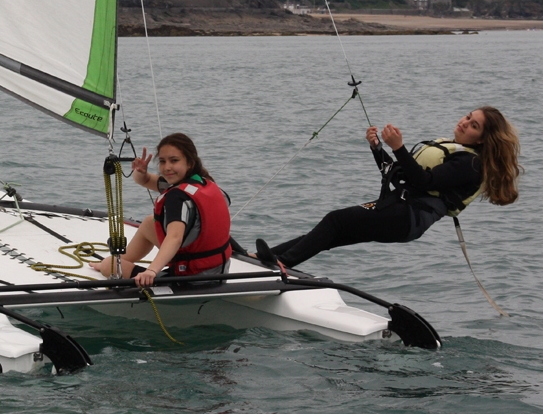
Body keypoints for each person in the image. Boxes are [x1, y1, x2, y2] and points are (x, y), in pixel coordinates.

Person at [256, 107, 522, 269]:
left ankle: (282, 264)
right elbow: (399, 176)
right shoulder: (455, 150)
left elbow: (423, 182)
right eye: (468, 116)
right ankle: (263, 259)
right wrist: (377, 149)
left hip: (408, 218)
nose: (464, 123)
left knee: (335, 220)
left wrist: (398, 147)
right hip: (398, 210)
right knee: (330, 233)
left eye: (473, 125)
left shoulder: (470, 163)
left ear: (483, 138)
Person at [89, 133, 232, 287]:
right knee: (150, 222)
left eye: (174, 160)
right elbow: (145, 180)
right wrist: (140, 172)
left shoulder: (177, 198)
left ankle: (113, 262)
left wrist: (151, 271)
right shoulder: (203, 183)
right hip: (218, 269)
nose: (167, 167)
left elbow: (175, 237)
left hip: (192, 279)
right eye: (162, 162)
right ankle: (123, 259)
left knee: (109, 265)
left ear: (189, 163)